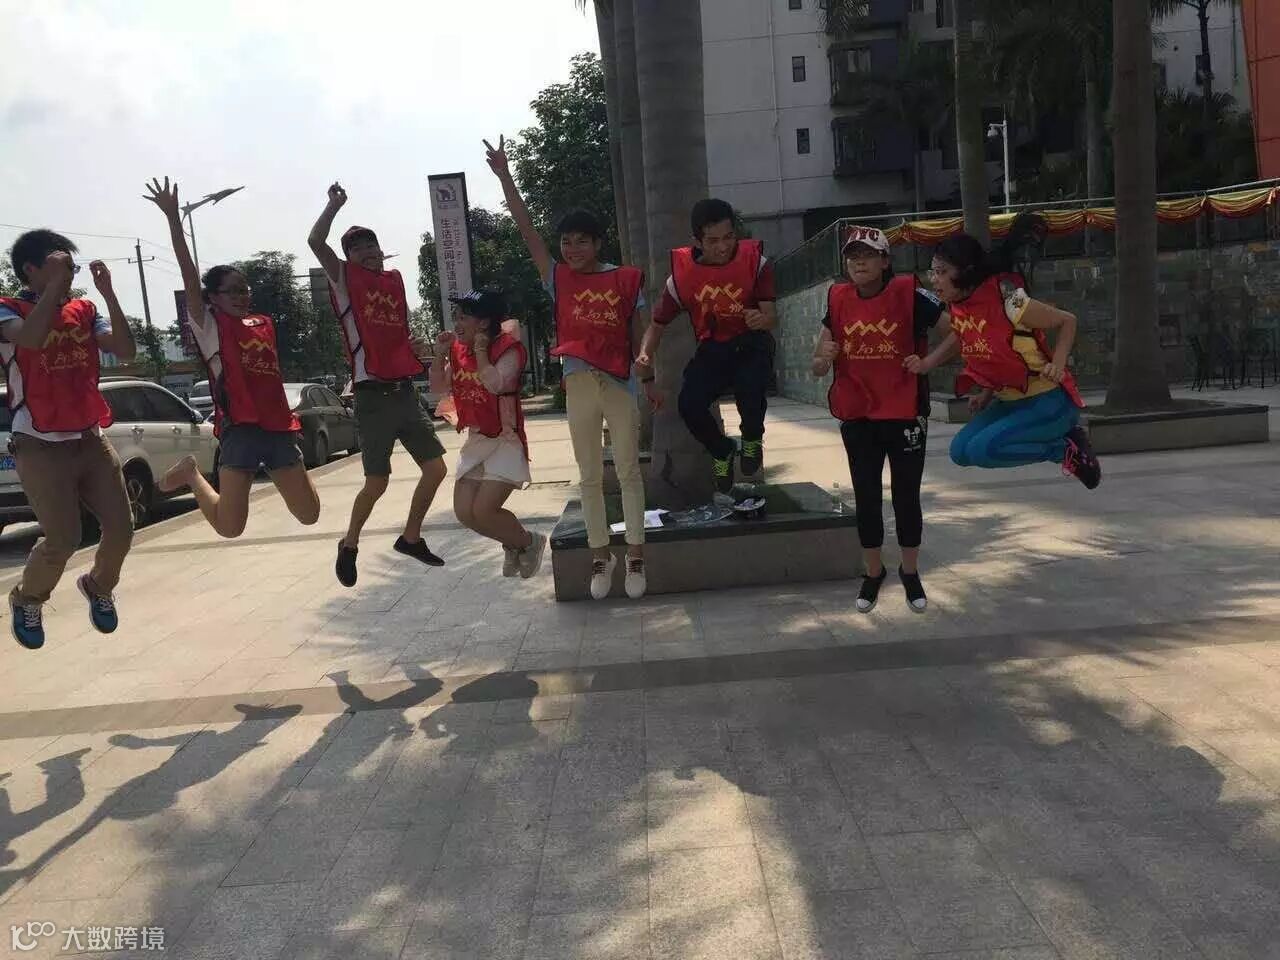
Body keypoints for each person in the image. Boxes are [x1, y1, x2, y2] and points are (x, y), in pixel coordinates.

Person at [485, 135, 649, 601]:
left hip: (619, 383)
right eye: (566, 242)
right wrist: (505, 177)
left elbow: (639, 331)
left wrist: (647, 370)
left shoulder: (624, 279)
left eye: (581, 241)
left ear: (598, 243)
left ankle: (636, 555)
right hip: (578, 382)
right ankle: (601, 556)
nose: (572, 248)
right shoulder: (558, 277)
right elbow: (527, 231)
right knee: (589, 474)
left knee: (628, 471)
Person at [145, 177, 321, 540]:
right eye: (233, 292)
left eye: (245, 290)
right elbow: (189, 274)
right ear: (213, 297)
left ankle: (291, 468)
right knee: (230, 527)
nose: (242, 297)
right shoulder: (209, 325)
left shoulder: (262, 324)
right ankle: (192, 474)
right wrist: (174, 219)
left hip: (278, 426)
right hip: (240, 428)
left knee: (309, 515)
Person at [0, 231, 137, 649]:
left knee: (122, 527)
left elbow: (125, 350)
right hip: (39, 442)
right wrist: (54, 289)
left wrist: (109, 294)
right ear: (30, 270)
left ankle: (99, 585)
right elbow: (31, 338)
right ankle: (28, 598)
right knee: (63, 538)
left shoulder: (85, 310)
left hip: (89, 438)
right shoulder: (8, 309)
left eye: (71, 268)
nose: (69, 275)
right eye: (60, 266)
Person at [309, 182, 448, 588]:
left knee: (436, 469)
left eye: (372, 245)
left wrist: (415, 347)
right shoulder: (344, 280)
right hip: (371, 397)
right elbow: (315, 242)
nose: (368, 252)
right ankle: (349, 542)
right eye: (358, 248)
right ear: (348, 257)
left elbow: (396, 336)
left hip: (404, 393)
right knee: (377, 482)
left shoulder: (391, 283)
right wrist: (333, 205)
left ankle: (411, 537)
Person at [911, 213, 1101, 489]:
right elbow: (976, 341)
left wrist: (1058, 364)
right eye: (932, 272)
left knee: (983, 450)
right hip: (1008, 401)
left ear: (965, 271)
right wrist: (984, 393)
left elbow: (1067, 320)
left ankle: (1066, 448)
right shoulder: (960, 304)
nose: (934, 280)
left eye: (941, 272)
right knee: (960, 452)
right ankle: (1060, 445)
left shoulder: (1009, 300)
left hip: (1047, 402)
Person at [812, 226, 942, 614]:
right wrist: (824, 358)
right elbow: (817, 363)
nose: (859, 263)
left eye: (868, 255)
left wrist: (928, 362)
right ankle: (873, 572)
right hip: (859, 415)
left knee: (906, 496)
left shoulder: (910, 294)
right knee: (866, 496)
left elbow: (958, 331)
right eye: (853, 256)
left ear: (885, 261)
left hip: (905, 413)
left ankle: (910, 571)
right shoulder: (837, 299)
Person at [636, 198, 777, 494]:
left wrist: (760, 319)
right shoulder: (681, 278)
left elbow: (771, 317)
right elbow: (656, 324)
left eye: (728, 237)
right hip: (713, 348)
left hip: (751, 343)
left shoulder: (756, 263)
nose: (723, 247)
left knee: (751, 390)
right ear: (697, 241)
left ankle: (752, 438)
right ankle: (721, 450)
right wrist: (646, 354)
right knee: (689, 403)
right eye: (713, 241)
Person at [428, 289, 545, 578]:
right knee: (464, 513)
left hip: (505, 439)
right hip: (477, 438)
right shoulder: (458, 349)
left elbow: (495, 384)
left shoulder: (509, 349)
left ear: (483, 323)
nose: (457, 324)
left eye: (463, 317)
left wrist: (481, 352)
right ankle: (514, 543)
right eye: (456, 317)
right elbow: (439, 387)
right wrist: (440, 355)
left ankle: (528, 542)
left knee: (483, 511)